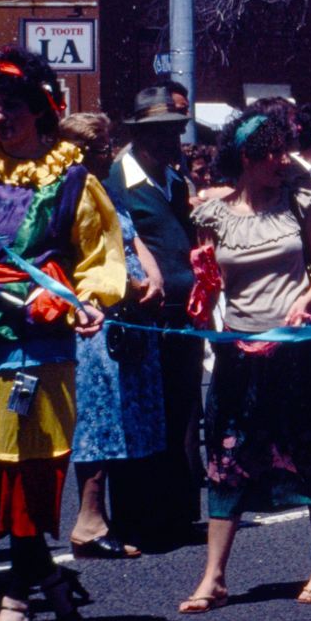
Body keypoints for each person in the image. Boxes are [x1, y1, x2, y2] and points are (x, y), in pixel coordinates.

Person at [179, 110, 311, 613]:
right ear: (248, 157)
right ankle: (214, 577)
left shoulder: (297, 204)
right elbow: (207, 281)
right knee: (226, 462)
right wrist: (202, 307)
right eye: (273, 151)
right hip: (239, 355)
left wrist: (305, 302)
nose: (282, 159)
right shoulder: (211, 215)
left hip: (296, 353)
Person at [0, 47, 125, 621]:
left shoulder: (73, 179)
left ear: (42, 111)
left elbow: (100, 259)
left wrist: (86, 300)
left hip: (39, 355)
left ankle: (16, 596)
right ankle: (49, 580)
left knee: (27, 480)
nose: (0, 116)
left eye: (12, 105)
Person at [102, 84, 203, 549]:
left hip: (184, 316)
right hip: (143, 317)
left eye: (175, 131)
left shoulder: (175, 182)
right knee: (142, 417)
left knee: (182, 411)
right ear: (139, 135)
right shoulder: (116, 184)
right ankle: (137, 521)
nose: (171, 140)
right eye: (160, 132)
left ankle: (177, 515)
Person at [63, 112, 165, 561]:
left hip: (128, 318)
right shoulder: (69, 193)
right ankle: (89, 521)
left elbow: (131, 238)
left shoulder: (107, 188)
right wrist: (132, 285)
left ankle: (123, 517)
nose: (110, 154)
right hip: (96, 323)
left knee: (126, 421)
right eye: (102, 148)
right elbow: (80, 260)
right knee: (99, 423)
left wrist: (154, 276)